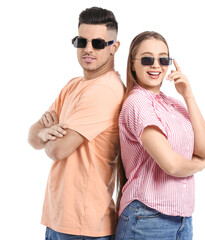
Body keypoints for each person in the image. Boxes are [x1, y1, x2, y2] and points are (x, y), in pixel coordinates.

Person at [28, 7, 125, 240]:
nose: (88, 49)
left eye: (98, 43)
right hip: (58, 218)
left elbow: (57, 149)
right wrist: (43, 134)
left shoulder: (105, 89)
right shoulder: (73, 85)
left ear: (114, 47)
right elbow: (32, 135)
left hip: (84, 225)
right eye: (82, 41)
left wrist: (48, 136)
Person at [115, 31, 205, 240]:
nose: (156, 65)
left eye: (163, 59)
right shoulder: (137, 103)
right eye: (147, 59)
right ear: (133, 64)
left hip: (182, 220)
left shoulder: (171, 103)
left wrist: (188, 95)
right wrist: (199, 165)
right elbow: (172, 165)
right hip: (146, 219)